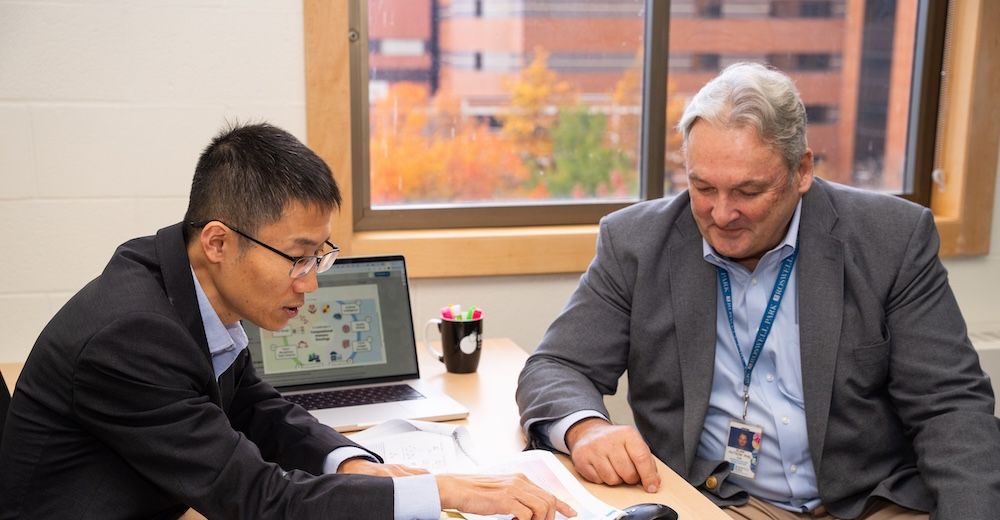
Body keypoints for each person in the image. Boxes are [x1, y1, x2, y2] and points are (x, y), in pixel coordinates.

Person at [0, 122, 574, 520]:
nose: (310, 281)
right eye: (297, 257)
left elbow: (253, 404)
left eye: (319, 255)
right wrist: (441, 491)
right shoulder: (130, 337)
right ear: (219, 241)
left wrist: (350, 462)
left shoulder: (185, 279)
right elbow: (259, 501)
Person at [516, 62, 1000, 519]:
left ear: (802, 171)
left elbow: (951, 407)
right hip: (726, 500)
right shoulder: (637, 244)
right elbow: (557, 365)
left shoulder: (890, 239)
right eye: (702, 187)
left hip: (870, 501)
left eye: (748, 192)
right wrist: (586, 429)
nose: (722, 214)